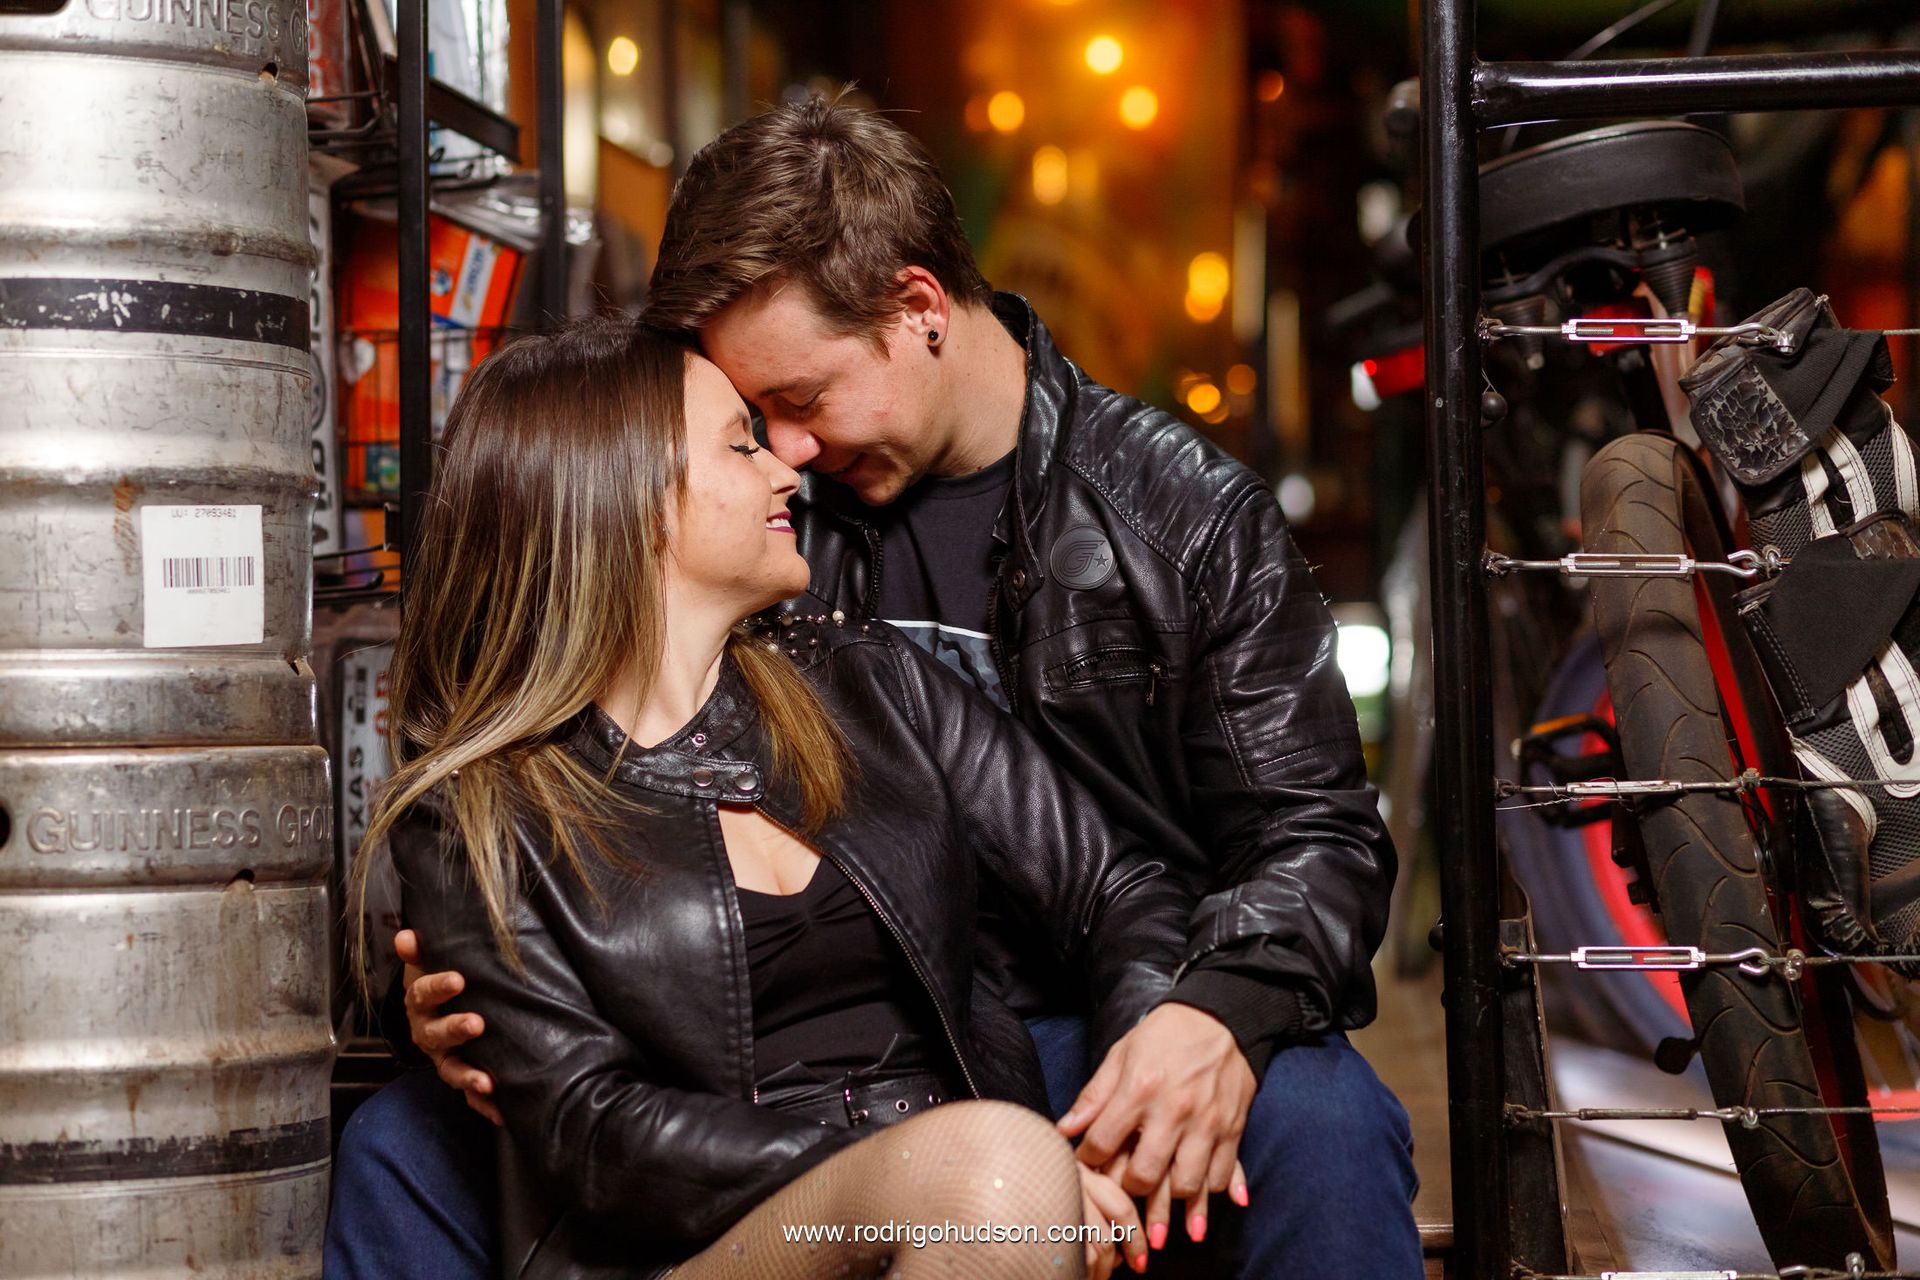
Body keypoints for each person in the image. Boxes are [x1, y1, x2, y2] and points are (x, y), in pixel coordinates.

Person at [338, 94, 1421, 1279]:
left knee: (1314, 1106)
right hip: (800, 1043)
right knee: (410, 1131)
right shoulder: (771, 556)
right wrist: (477, 1003)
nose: (788, 456)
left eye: (797, 403)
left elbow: (1310, 838)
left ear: (916, 311)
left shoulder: (1180, 522)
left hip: (1082, 1012)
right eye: (751, 424)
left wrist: (1201, 1015)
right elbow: (556, 800)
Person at [339, 317, 1198, 1279]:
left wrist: (1132, 1093)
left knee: (995, 1181)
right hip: (710, 1251)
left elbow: (1120, 888)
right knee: (992, 1176)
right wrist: (932, 1172)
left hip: (977, 1220)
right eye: (741, 443)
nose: (787, 471)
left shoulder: (870, 684)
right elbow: (595, 1132)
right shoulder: (476, 811)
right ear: (627, 496)